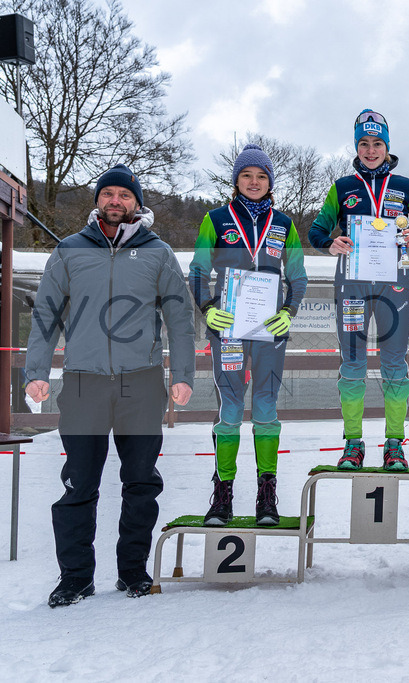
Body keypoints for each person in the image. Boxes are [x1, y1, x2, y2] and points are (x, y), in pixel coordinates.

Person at [25, 164, 195, 606]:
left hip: (141, 386)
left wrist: (182, 376)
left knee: (140, 481)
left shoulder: (158, 253)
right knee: (78, 484)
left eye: (124, 195)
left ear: (138, 204)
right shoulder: (68, 250)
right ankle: (75, 578)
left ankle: (133, 571)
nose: (115, 201)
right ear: (97, 200)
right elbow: (45, 317)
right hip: (83, 385)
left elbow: (179, 318)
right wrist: (36, 372)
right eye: (108, 194)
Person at [308, 110, 409, 471]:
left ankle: (394, 443)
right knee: (352, 365)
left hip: (394, 287)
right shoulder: (342, 188)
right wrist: (330, 242)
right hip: (351, 285)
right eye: (364, 144)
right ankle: (353, 442)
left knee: (395, 366)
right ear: (356, 146)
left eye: (377, 143)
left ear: (387, 146)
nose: (371, 150)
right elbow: (317, 230)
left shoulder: (405, 186)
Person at [189, 144, 308, 527]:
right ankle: (222, 496)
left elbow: (299, 276)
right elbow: (197, 270)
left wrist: (289, 311)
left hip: (269, 331)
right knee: (229, 407)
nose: (254, 182)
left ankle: (266, 495)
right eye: (246, 176)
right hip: (229, 330)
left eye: (261, 176)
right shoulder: (217, 219)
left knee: (266, 408)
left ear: (270, 182)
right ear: (236, 180)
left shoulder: (284, 224)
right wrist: (208, 308)